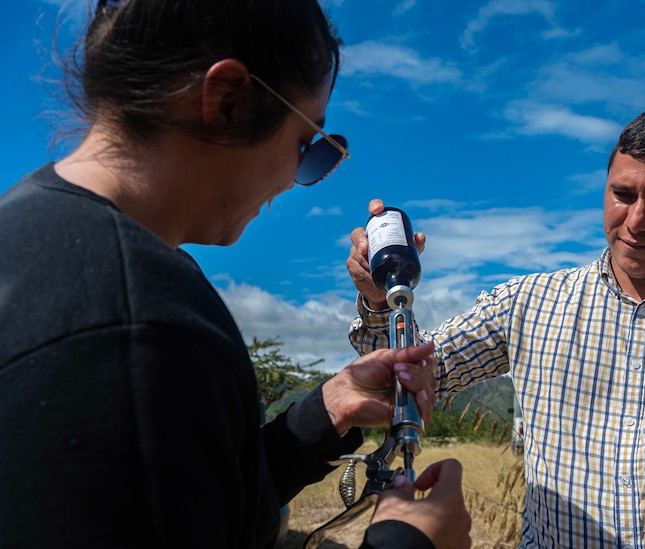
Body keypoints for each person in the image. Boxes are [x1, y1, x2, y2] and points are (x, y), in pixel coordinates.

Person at [0, 1, 472, 548]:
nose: (296, 181)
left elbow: (200, 496)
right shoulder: (138, 324)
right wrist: (409, 544)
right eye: (307, 148)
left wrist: (329, 408)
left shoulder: (36, 232)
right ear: (228, 102)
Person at [347, 107, 645, 547]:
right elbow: (406, 375)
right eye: (622, 194)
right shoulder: (527, 304)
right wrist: (377, 301)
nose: (636, 220)